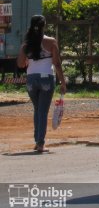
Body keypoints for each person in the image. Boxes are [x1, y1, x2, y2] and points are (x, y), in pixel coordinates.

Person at [17, 15, 66, 153]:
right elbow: (56, 63)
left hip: (31, 79)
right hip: (46, 78)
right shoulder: (51, 42)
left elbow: (20, 64)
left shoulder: (26, 44)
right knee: (43, 111)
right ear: (44, 26)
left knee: (38, 109)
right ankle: (40, 143)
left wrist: (27, 59)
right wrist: (63, 82)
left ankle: (37, 139)